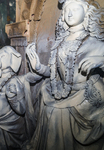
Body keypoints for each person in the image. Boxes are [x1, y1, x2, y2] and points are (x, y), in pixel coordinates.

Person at [25, 0, 104, 149]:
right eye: (67, 9)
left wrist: (100, 61)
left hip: (85, 95)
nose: (70, 12)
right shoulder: (60, 42)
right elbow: (55, 73)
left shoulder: (95, 43)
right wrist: (39, 67)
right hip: (63, 92)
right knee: (46, 99)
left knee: (56, 112)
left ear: (86, 12)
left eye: (75, 8)